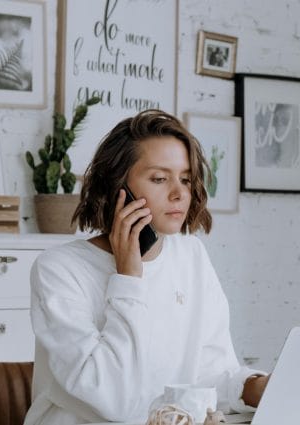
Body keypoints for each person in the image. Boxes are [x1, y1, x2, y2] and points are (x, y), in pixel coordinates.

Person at [23, 110, 269, 425]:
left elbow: (208, 376)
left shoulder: (190, 255)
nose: (179, 193)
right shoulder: (58, 269)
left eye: (185, 178)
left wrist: (255, 387)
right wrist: (128, 277)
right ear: (117, 187)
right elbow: (115, 402)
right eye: (159, 178)